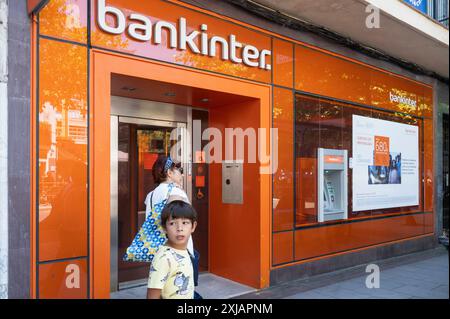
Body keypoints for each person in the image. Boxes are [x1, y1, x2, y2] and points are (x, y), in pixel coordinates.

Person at [145, 155, 202, 298]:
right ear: (169, 173)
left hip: (160, 249)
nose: (181, 173)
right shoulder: (176, 192)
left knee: (164, 290)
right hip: (179, 251)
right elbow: (188, 216)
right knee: (184, 290)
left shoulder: (151, 195)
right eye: (179, 170)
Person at [147, 200, 197, 299]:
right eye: (172, 223)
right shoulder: (164, 258)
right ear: (164, 228)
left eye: (185, 223)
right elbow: (152, 296)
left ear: (193, 226)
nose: (179, 228)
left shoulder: (184, 251)